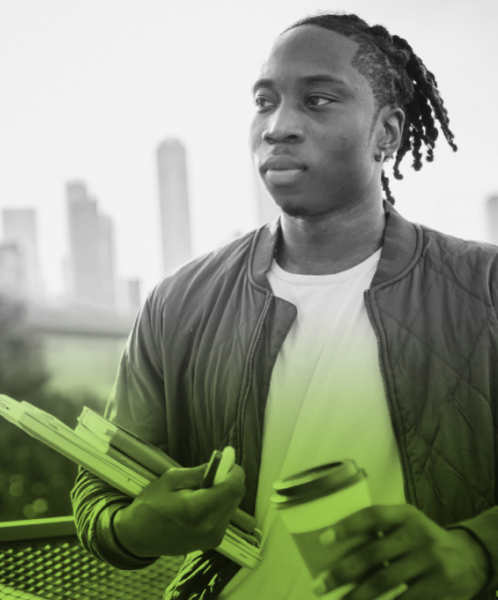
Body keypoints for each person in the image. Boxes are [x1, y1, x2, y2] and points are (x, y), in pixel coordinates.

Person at [71, 12, 498, 600]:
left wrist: (473, 552)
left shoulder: (488, 285)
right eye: (264, 101)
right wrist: (134, 528)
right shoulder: (176, 303)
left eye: (318, 100)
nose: (278, 126)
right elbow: (98, 490)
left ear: (387, 133)